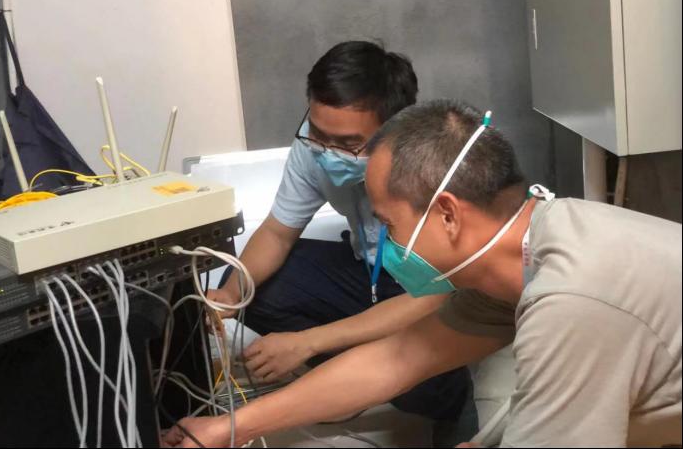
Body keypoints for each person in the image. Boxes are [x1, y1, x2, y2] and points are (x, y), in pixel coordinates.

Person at [165, 99, 682, 448]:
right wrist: (230, 427)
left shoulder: (572, 302)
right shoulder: (530, 252)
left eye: (389, 224)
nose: (387, 242)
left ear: (448, 214)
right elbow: (395, 359)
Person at [208, 44, 472, 432]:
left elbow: (436, 298)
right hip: (368, 270)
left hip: (422, 291)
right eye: (318, 134)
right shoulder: (311, 147)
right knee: (254, 284)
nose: (328, 152)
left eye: (348, 145)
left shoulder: (432, 169)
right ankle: (345, 383)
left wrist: (309, 341)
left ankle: (443, 398)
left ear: (395, 131)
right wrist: (231, 295)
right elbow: (278, 233)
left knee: (422, 369)